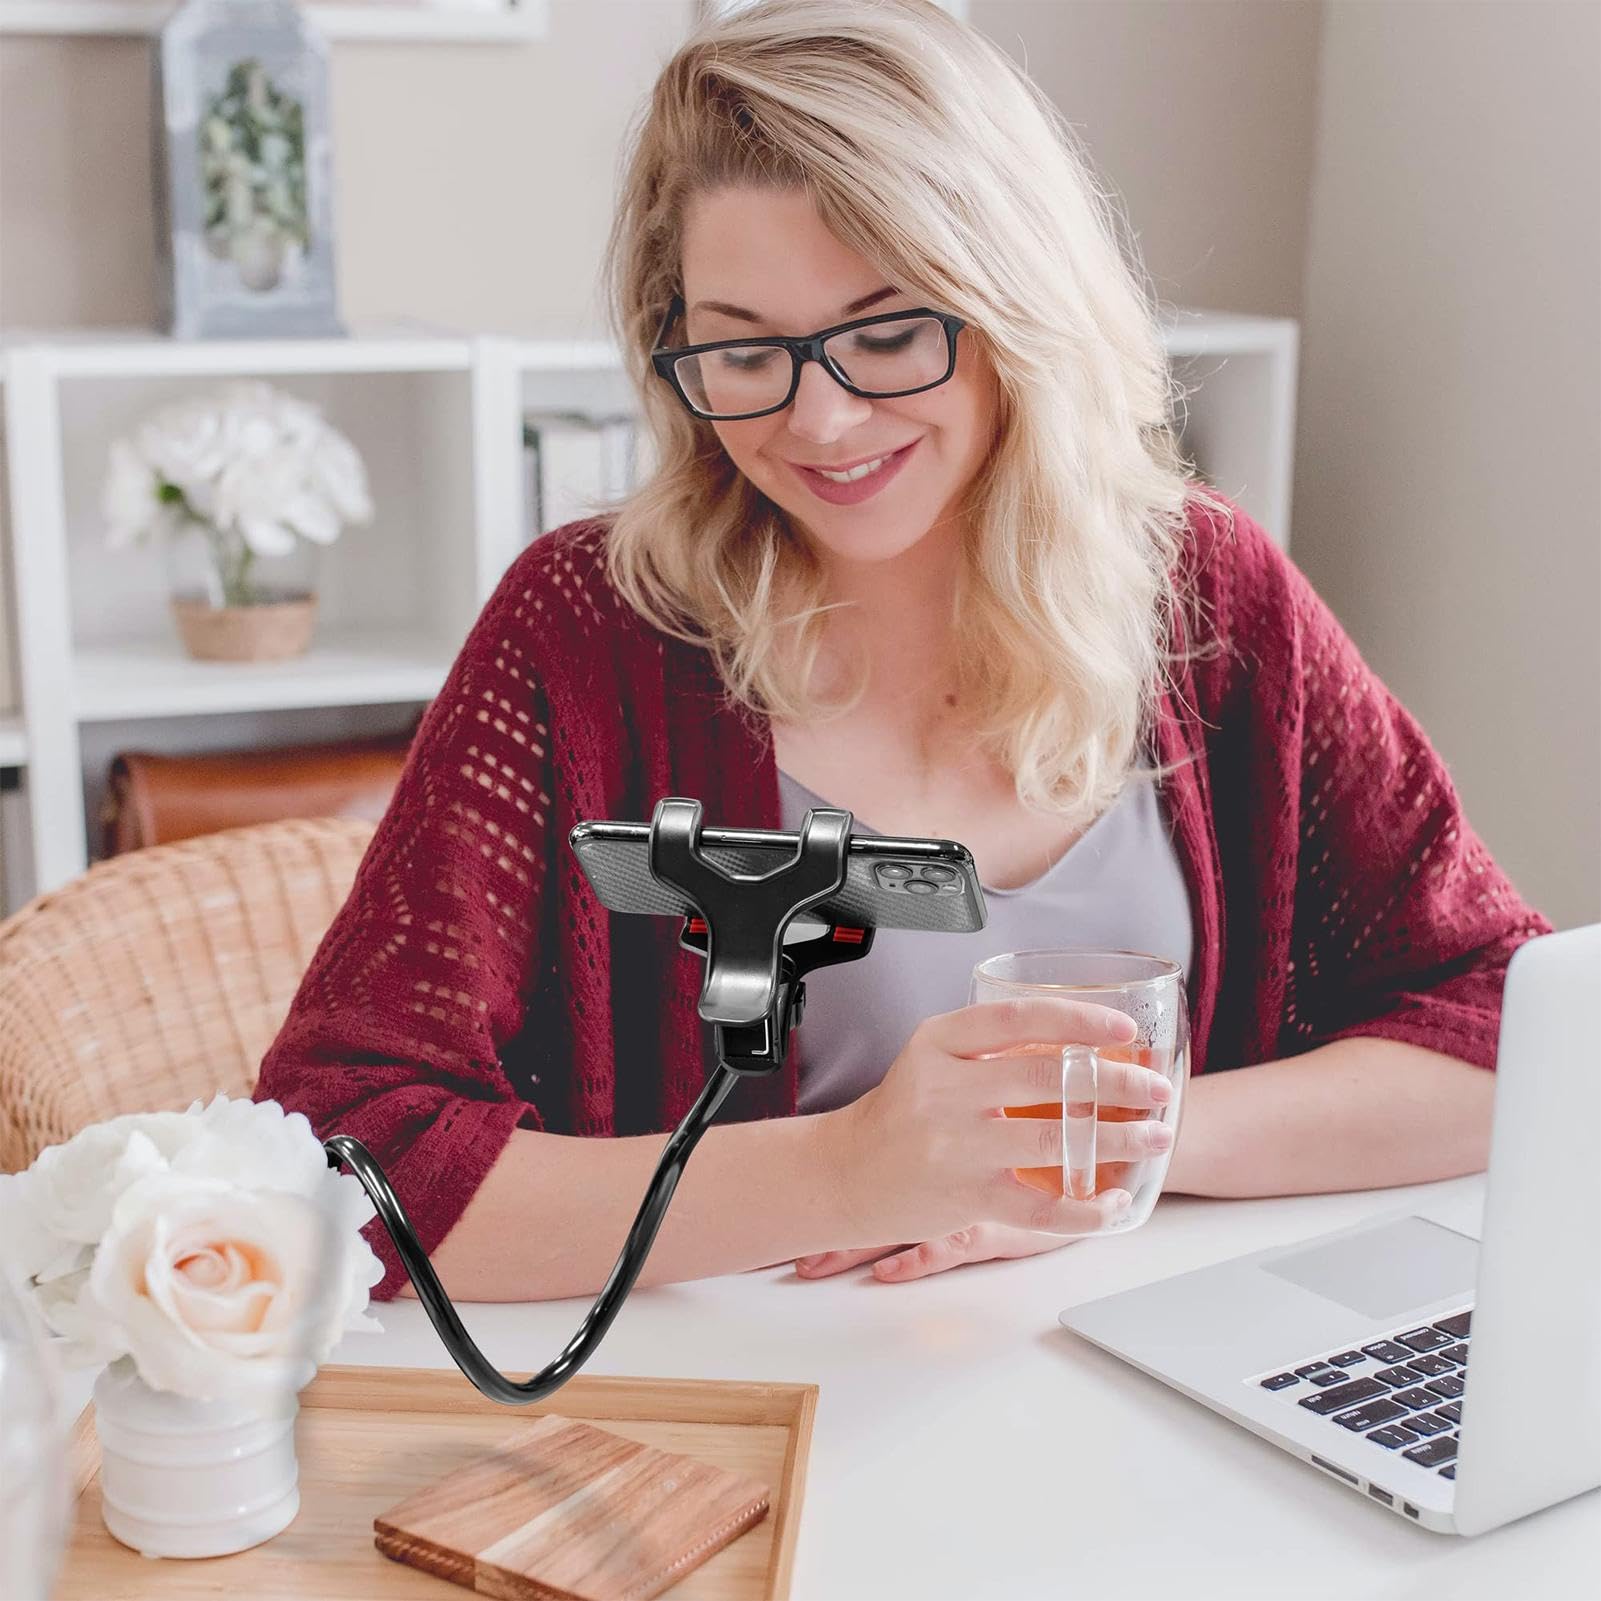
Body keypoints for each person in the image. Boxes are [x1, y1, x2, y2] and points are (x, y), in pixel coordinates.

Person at [254, 0, 1548, 1303]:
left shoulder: (1209, 599)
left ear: (1017, 305)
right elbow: (333, 1160)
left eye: (886, 331)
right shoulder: (587, 629)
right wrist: (844, 1170)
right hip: (740, 1420)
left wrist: (1099, 1152)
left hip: (1129, 1380)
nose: (819, 418)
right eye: (745, 347)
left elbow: (1507, 1031)